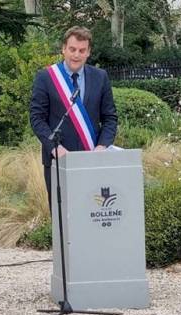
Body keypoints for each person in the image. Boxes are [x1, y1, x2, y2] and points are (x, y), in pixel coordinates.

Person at [30, 26, 118, 204]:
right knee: (63, 220)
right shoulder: (46, 77)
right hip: (58, 160)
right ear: (63, 49)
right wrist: (56, 149)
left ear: (88, 52)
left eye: (81, 50)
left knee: (93, 217)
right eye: (72, 49)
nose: (76, 55)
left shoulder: (100, 77)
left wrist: (102, 146)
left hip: (93, 160)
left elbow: (110, 118)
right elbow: (37, 118)